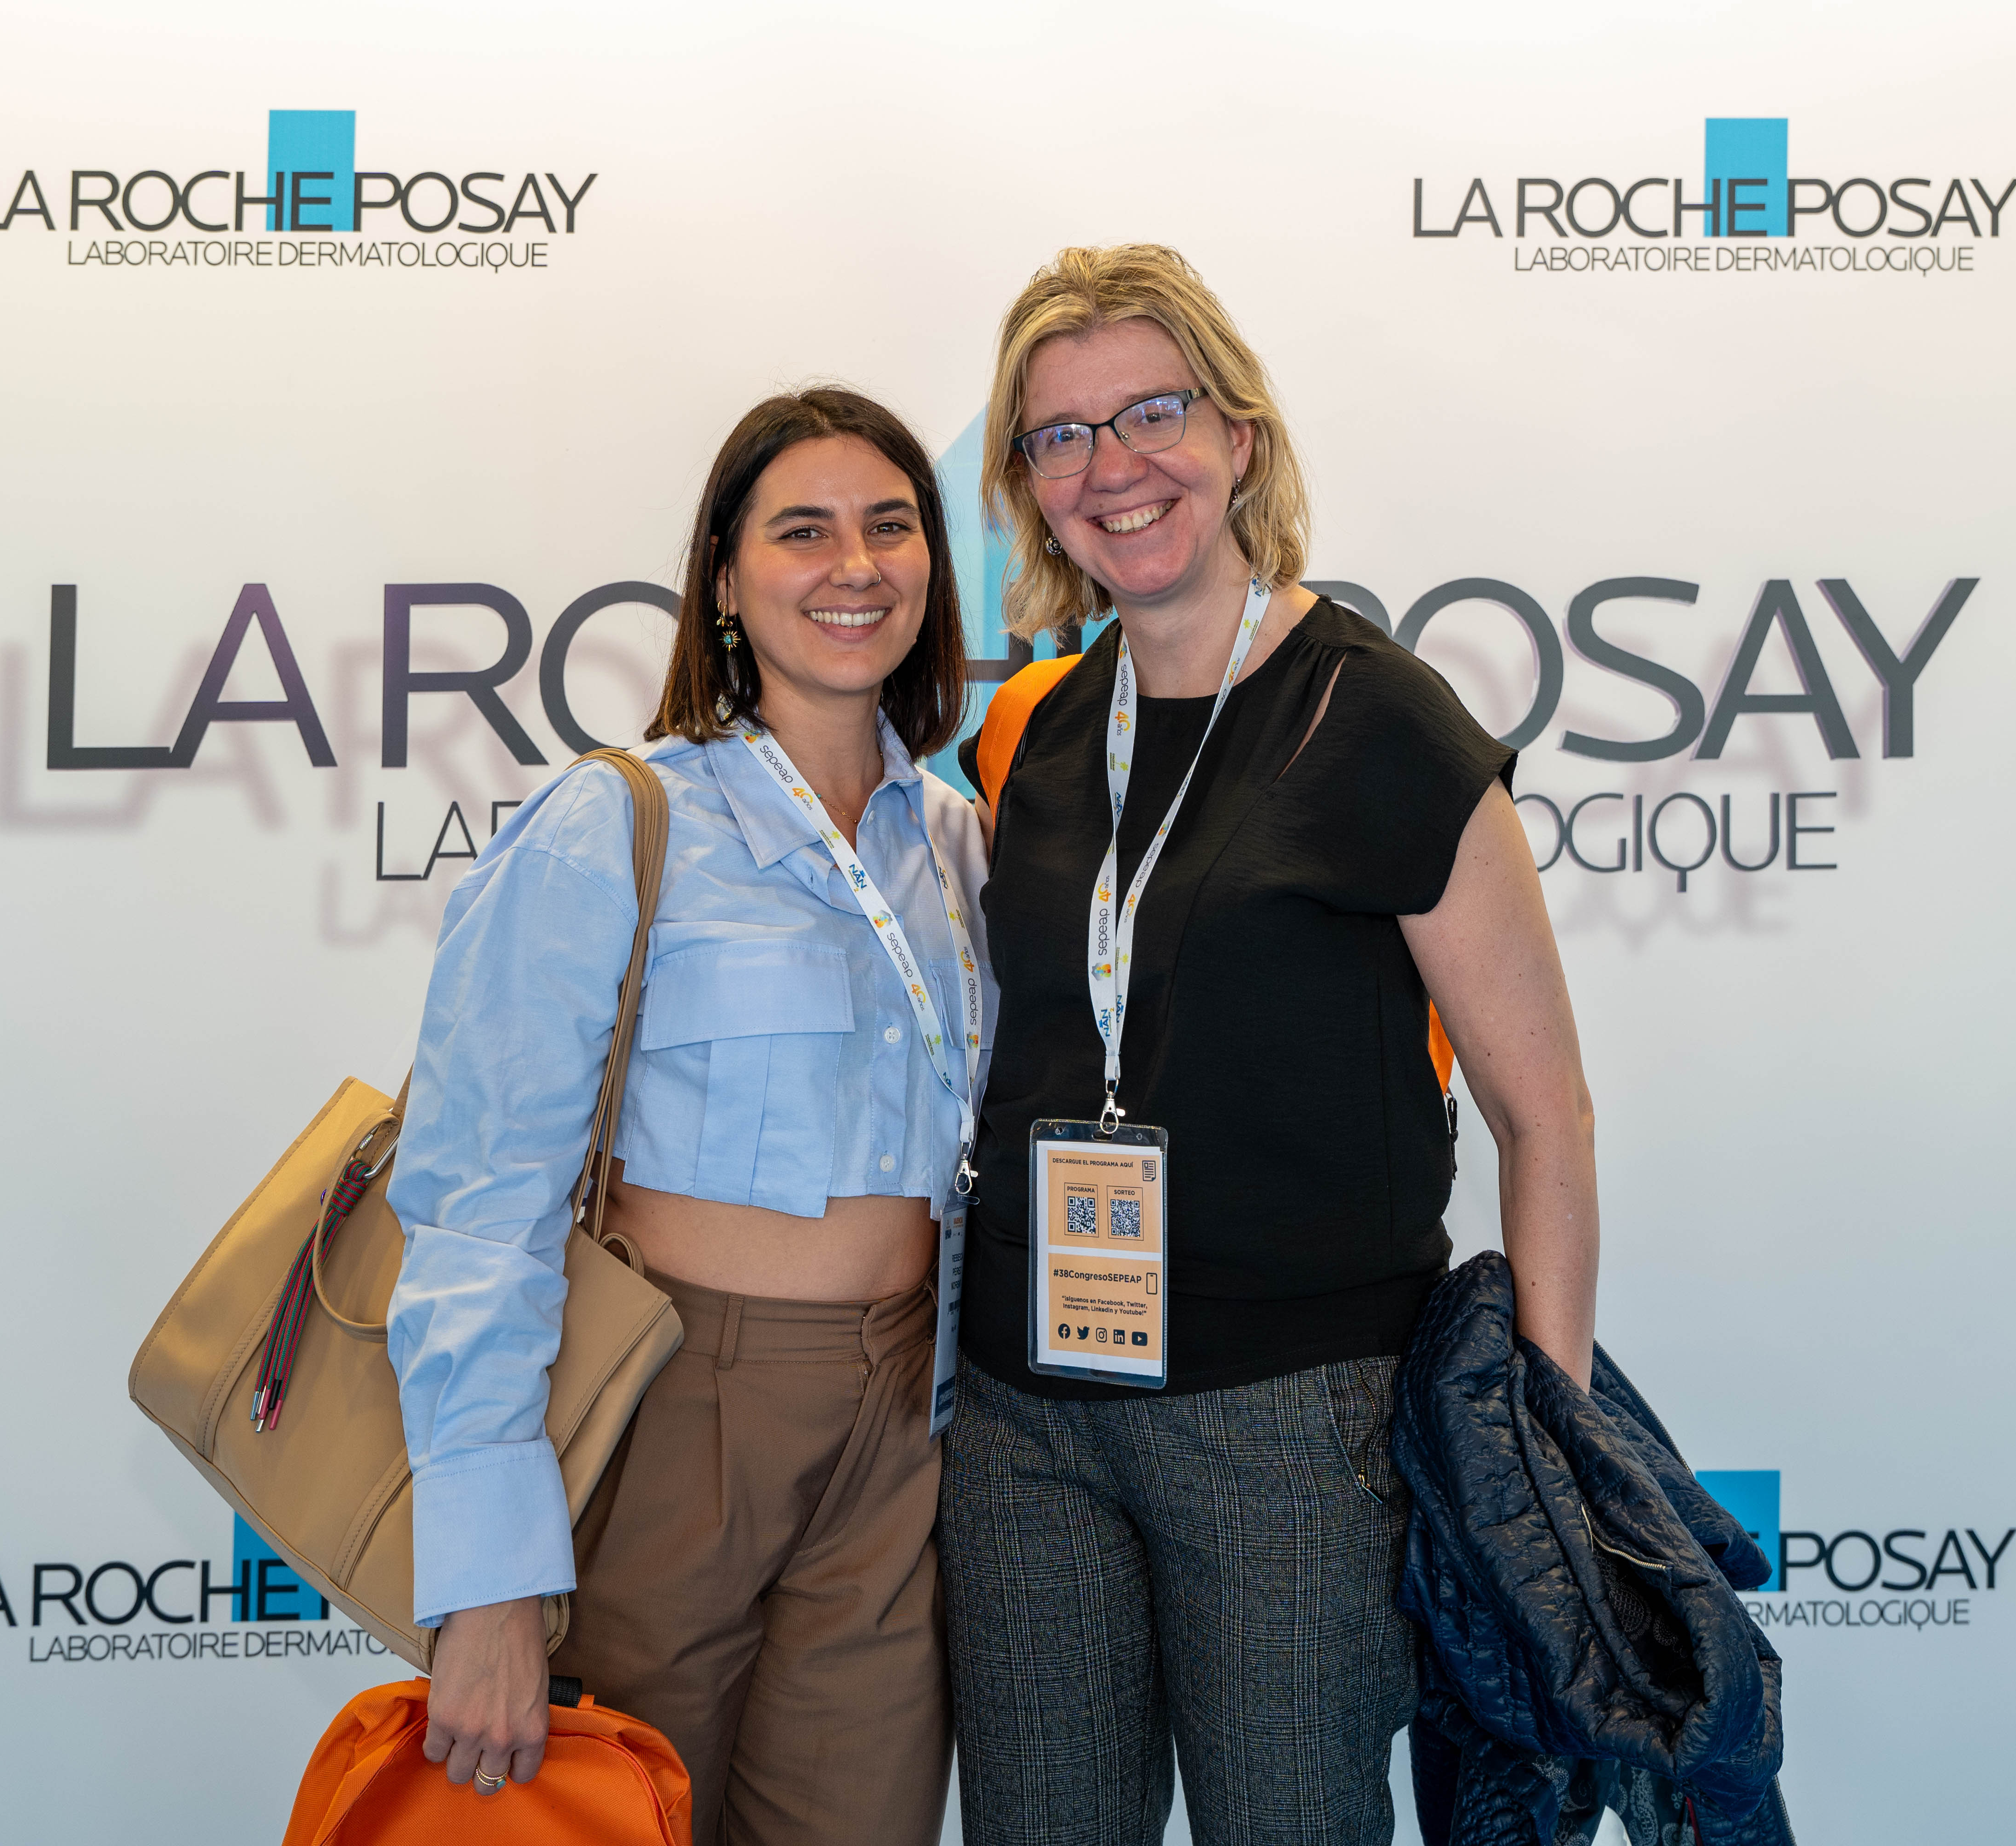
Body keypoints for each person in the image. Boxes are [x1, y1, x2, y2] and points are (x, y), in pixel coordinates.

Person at [942, 244, 1602, 1845]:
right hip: (1026, 1419)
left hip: (1294, 1426)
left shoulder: (1384, 720)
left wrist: (1544, 1454)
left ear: (1239, 435)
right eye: (1062, 436)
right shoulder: (1031, 729)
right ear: (1029, 490)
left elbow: (1546, 1118)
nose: (1115, 467)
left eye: (1153, 413)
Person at [384, 386, 991, 1846]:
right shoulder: (618, 820)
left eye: (890, 526)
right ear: (724, 579)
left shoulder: (961, 845)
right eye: (803, 532)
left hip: (908, 1429)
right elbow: (478, 1201)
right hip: (674, 1406)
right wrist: (487, 1581)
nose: (855, 565)